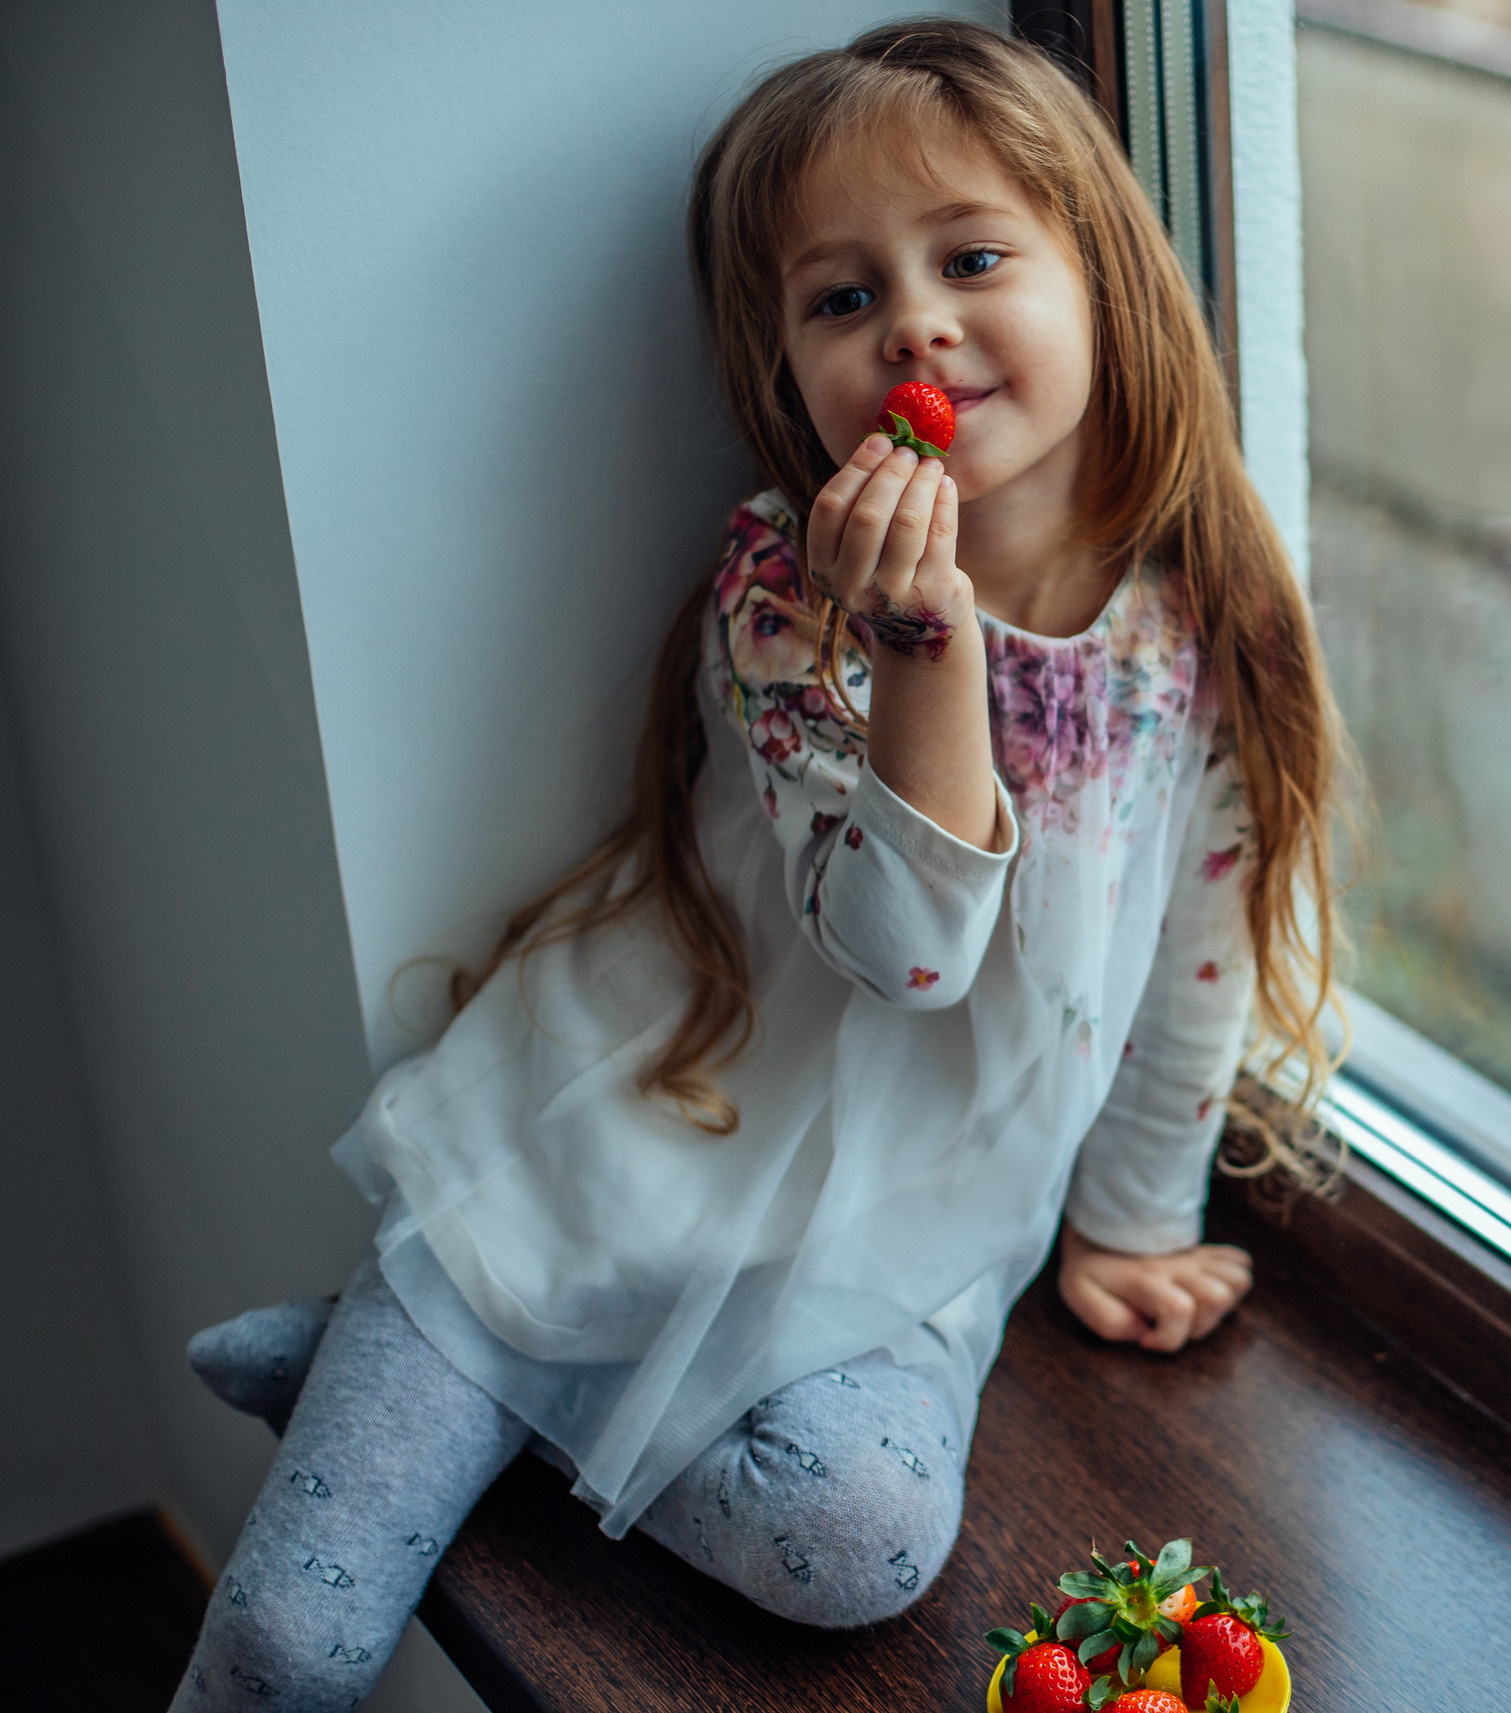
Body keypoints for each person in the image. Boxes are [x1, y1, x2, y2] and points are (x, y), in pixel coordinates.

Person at [170, 20, 1342, 1709]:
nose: (918, 323)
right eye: (842, 298)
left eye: (975, 258)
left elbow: (1197, 958)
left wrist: (1131, 1220)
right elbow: (909, 952)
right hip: (641, 1147)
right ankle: (465, 1344)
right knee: (292, 1640)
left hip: (899, 1244)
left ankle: (452, 1397)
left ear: (1108, 278)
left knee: (862, 1542)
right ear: (784, 365)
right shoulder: (785, 598)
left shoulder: (1194, 634)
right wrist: (924, 647)